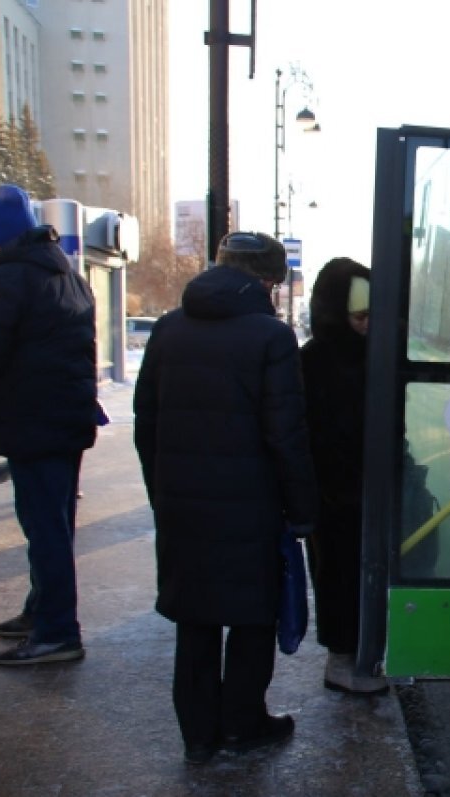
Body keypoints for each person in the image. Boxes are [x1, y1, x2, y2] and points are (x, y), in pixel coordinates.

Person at [133, 231, 319, 764]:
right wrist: (302, 511)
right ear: (266, 280)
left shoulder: (168, 330)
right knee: (251, 617)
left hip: (182, 505)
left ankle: (197, 735)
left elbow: (146, 422)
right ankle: (242, 723)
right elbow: (287, 435)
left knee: (196, 621)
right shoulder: (270, 338)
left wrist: (161, 492)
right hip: (251, 508)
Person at [0, 184, 97, 666]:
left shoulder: (10, 278)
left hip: (35, 421)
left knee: (44, 526)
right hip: (65, 419)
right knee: (53, 524)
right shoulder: (63, 272)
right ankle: (42, 611)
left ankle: (57, 630)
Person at [298, 257, 388, 693]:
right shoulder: (314, 362)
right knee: (337, 576)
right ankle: (342, 659)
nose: (368, 325)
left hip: (363, 490)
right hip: (334, 496)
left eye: (374, 315)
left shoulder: (376, 356)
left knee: (361, 575)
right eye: (360, 317)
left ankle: (362, 653)